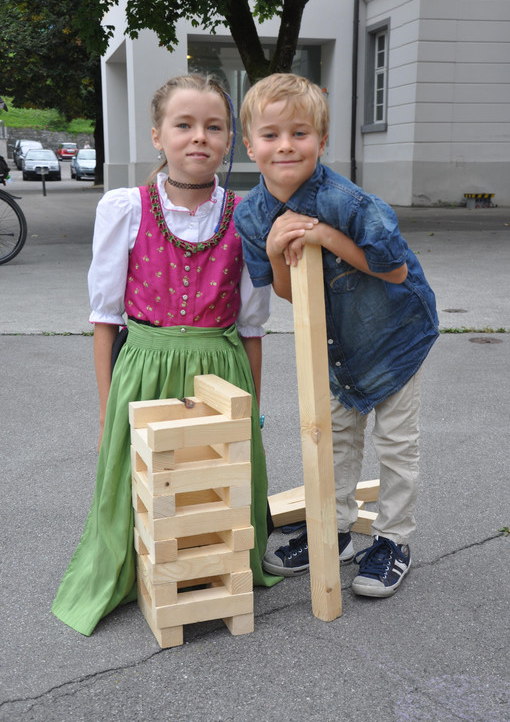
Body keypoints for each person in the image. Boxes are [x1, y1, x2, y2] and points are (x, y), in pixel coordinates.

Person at [52, 74, 281, 637]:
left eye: (214, 127)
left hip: (220, 369)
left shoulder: (248, 214)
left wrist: (252, 408)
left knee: (213, 478)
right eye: (184, 124)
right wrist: (106, 410)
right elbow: (105, 320)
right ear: (158, 135)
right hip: (144, 366)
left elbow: (251, 326)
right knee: (142, 480)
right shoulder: (126, 208)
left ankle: (206, 568)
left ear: (229, 140)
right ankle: (140, 568)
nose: (199, 136)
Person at [233, 73, 439, 598]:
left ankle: (393, 540)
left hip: (395, 337)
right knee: (335, 438)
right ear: (250, 145)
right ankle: (337, 530)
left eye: (299, 133)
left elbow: (394, 269)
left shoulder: (349, 203)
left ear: (321, 142)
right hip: (334, 344)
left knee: (396, 444)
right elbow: (287, 292)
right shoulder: (252, 215)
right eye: (271, 134)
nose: (285, 145)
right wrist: (277, 248)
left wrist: (324, 234)